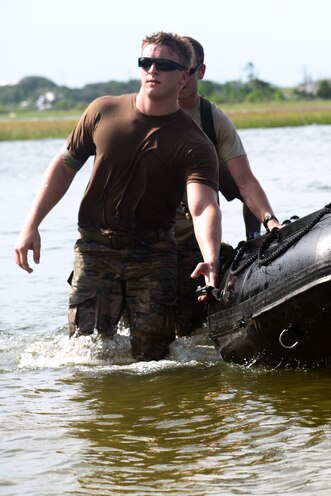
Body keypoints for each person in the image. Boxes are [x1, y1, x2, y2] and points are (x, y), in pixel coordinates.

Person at [13, 32, 222, 361]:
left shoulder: (194, 142)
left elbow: (203, 206)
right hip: (95, 249)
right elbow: (64, 167)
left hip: (153, 255)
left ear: (184, 76)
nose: (152, 70)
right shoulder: (103, 111)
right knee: (84, 352)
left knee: (155, 359)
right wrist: (31, 224)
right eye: (146, 62)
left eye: (164, 65)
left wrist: (210, 257)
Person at [174, 36, 282, 336]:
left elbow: (245, 183)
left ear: (200, 72)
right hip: (148, 240)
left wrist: (268, 224)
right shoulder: (146, 115)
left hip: (193, 243)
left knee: (189, 332)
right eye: (172, 70)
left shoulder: (213, 122)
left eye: (187, 72)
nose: (180, 79)